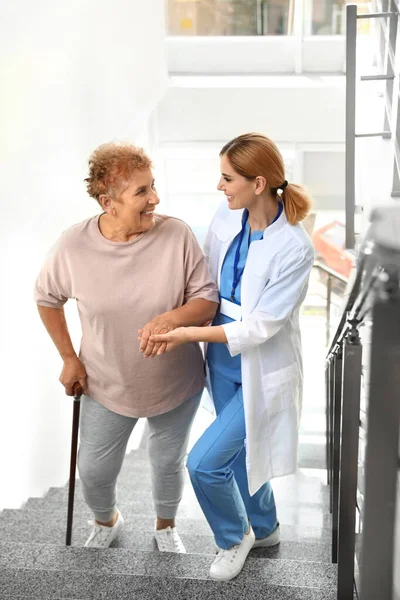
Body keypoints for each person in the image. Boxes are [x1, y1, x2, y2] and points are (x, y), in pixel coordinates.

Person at [34, 142, 219, 552]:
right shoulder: (73, 246)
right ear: (108, 202)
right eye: (141, 192)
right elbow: (48, 297)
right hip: (105, 382)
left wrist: (171, 318)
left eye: (153, 187)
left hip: (175, 382)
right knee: (94, 470)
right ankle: (107, 520)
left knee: (168, 464)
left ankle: (166, 526)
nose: (155, 199)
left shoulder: (177, 235)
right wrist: (69, 357)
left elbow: (206, 299)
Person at [146, 133, 315, 580]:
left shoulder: (295, 247)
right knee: (240, 454)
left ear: (258, 183)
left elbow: (260, 326)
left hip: (261, 362)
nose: (220, 187)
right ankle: (265, 526)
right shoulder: (226, 216)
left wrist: (187, 333)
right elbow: (207, 277)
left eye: (227, 178)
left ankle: (232, 535)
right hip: (222, 361)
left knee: (205, 463)